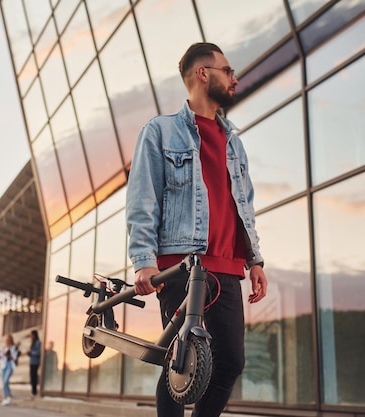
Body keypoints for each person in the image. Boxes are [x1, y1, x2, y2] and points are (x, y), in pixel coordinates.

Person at [126, 42, 268, 417]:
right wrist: (143, 261)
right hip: (182, 264)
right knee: (181, 359)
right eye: (228, 70)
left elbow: (244, 206)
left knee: (230, 362)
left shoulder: (234, 143)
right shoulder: (160, 131)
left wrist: (255, 260)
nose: (234, 79)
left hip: (227, 265)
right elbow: (143, 199)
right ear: (203, 74)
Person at [0, 334, 19, 406]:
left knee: (6, 380)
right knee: (4, 382)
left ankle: (7, 396)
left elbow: (15, 357)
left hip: (10, 366)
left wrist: (8, 355)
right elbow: (1, 357)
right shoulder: (3, 347)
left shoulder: (14, 348)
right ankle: (7, 395)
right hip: (3, 366)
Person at [27, 330, 42, 398]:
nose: (30, 337)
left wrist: (31, 353)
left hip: (35, 362)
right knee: (32, 377)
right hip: (32, 361)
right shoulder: (32, 343)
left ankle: (34, 392)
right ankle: (33, 391)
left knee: (34, 377)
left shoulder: (38, 343)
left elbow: (38, 353)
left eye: (31, 335)